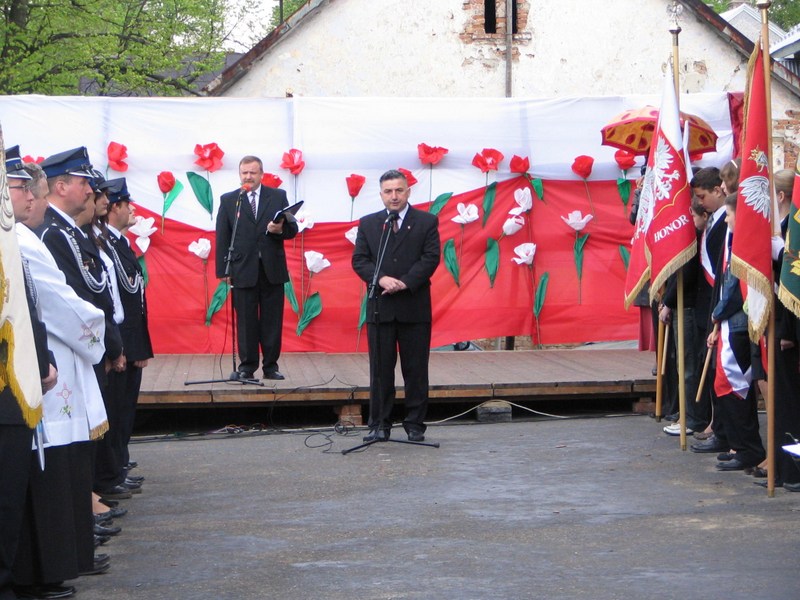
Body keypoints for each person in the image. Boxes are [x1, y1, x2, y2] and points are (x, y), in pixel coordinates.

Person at [352, 169, 440, 442]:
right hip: (381, 307)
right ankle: (380, 424)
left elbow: (431, 257)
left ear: (408, 192)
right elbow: (360, 260)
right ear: (381, 194)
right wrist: (380, 279)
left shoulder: (426, 221)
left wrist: (405, 282)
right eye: (388, 191)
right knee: (380, 371)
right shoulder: (369, 224)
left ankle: (414, 424)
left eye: (399, 190)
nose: (394, 196)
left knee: (416, 370)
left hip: (414, 306)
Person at [215, 156, 298, 380]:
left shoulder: (278, 196)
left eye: (253, 173)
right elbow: (222, 236)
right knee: (246, 321)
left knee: (272, 320)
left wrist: (280, 230)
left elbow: (292, 229)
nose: (248, 177)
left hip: (272, 269)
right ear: (239, 174)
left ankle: (271, 367)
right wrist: (223, 270)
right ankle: (247, 367)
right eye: (244, 173)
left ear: (261, 174)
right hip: (242, 269)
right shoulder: (230, 200)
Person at [704, 194, 765, 471]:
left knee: (736, 388)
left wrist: (718, 313)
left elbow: (735, 287)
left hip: (738, 324)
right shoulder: (734, 240)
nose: (726, 219)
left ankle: (748, 449)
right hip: (732, 323)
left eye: (729, 214)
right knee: (725, 386)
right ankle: (739, 445)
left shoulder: (745, 243)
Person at [103, 178, 152, 489]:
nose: (132, 210)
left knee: (125, 410)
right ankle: (113, 469)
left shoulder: (119, 242)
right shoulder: (106, 243)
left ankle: (119, 461)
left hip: (130, 341)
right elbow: (119, 302)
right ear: (114, 208)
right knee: (117, 410)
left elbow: (136, 299)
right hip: (121, 341)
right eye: (127, 204)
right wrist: (127, 348)